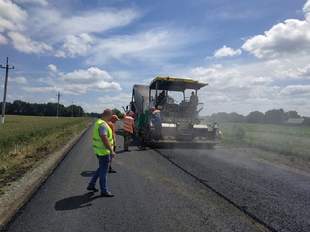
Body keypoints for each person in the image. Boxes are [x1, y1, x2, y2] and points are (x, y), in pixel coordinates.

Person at [87, 109, 115, 197]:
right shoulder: (103, 125)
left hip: (98, 151)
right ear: (108, 115)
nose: (111, 118)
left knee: (101, 168)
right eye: (110, 116)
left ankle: (91, 185)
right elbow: (104, 138)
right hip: (104, 152)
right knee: (104, 172)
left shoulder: (98, 122)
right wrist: (111, 150)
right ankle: (104, 190)